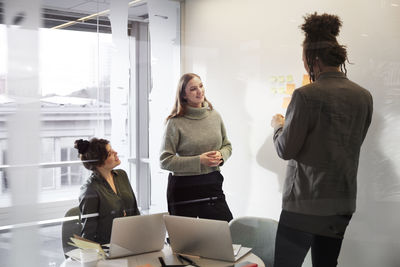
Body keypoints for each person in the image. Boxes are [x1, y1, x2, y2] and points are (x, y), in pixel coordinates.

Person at [270, 13, 373, 267]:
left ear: (312, 60)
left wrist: (278, 126)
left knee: (286, 264)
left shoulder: (305, 95)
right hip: (341, 202)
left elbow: (286, 149)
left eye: (304, 59)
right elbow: (352, 143)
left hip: (304, 204)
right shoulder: (364, 96)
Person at [160, 73, 233, 222]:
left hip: (212, 182)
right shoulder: (175, 122)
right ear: (184, 95)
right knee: (186, 240)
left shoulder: (214, 115)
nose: (199, 91)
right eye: (193, 88)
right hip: (184, 187)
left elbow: (227, 145)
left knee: (221, 231)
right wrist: (199, 160)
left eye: (201, 86)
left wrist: (221, 155)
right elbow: (165, 161)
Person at [75, 138, 140, 244]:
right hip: (107, 248)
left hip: (131, 241)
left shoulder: (121, 175)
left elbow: (135, 211)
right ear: (99, 163)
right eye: (110, 153)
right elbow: (88, 234)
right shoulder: (89, 190)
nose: (116, 153)